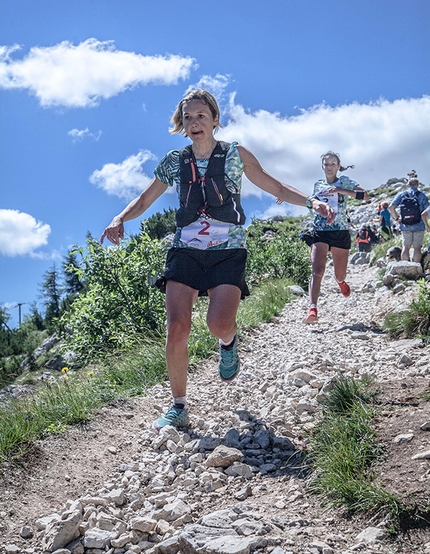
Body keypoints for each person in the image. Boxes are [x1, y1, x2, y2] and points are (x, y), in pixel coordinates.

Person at [100, 89, 334, 429]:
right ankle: (178, 406)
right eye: (189, 117)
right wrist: (119, 218)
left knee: (218, 324)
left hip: (228, 250)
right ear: (182, 124)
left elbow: (276, 187)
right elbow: (143, 198)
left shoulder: (236, 155)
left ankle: (228, 342)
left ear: (214, 120)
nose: (195, 123)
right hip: (185, 250)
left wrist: (312, 203)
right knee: (177, 327)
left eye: (201, 116)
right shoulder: (173, 162)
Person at [299, 151, 369, 324]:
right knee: (317, 271)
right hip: (320, 230)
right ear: (322, 166)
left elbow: (365, 196)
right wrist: (283, 196)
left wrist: (340, 190)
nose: (329, 167)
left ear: (338, 166)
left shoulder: (345, 181)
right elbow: (311, 202)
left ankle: (341, 281)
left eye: (332, 164)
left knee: (340, 273)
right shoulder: (318, 184)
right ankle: (312, 308)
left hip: (340, 231)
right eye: (326, 164)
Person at [388, 178, 429, 263]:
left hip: (405, 225)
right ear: (417, 185)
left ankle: (405, 267)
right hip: (419, 225)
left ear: (408, 184)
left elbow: (391, 207)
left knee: (406, 247)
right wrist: (426, 224)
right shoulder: (422, 195)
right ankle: (416, 267)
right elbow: (427, 210)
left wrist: (397, 219)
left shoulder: (402, 194)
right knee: (417, 247)